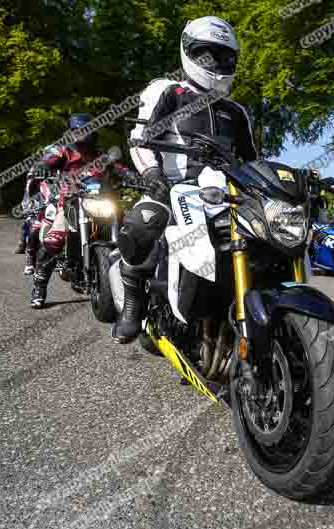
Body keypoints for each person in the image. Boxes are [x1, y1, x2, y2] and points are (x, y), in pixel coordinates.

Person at [111, 16, 258, 343]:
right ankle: (133, 306)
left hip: (226, 193)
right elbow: (139, 138)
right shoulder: (169, 91)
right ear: (188, 52)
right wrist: (151, 174)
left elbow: (252, 161)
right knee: (142, 226)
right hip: (172, 187)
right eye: (207, 55)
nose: (216, 64)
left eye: (223, 57)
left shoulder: (237, 112)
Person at [29, 113, 129, 308]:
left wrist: (134, 176)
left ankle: (130, 285)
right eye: (79, 131)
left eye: (87, 130)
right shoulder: (63, 152)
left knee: (128, 234)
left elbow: (119, 168)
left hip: (101, 201)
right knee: (54, 240)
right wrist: (43, 166)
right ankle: (39, 286)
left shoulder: (102, 156)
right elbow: (47, 161)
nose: (83, 135)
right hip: (70, 201)